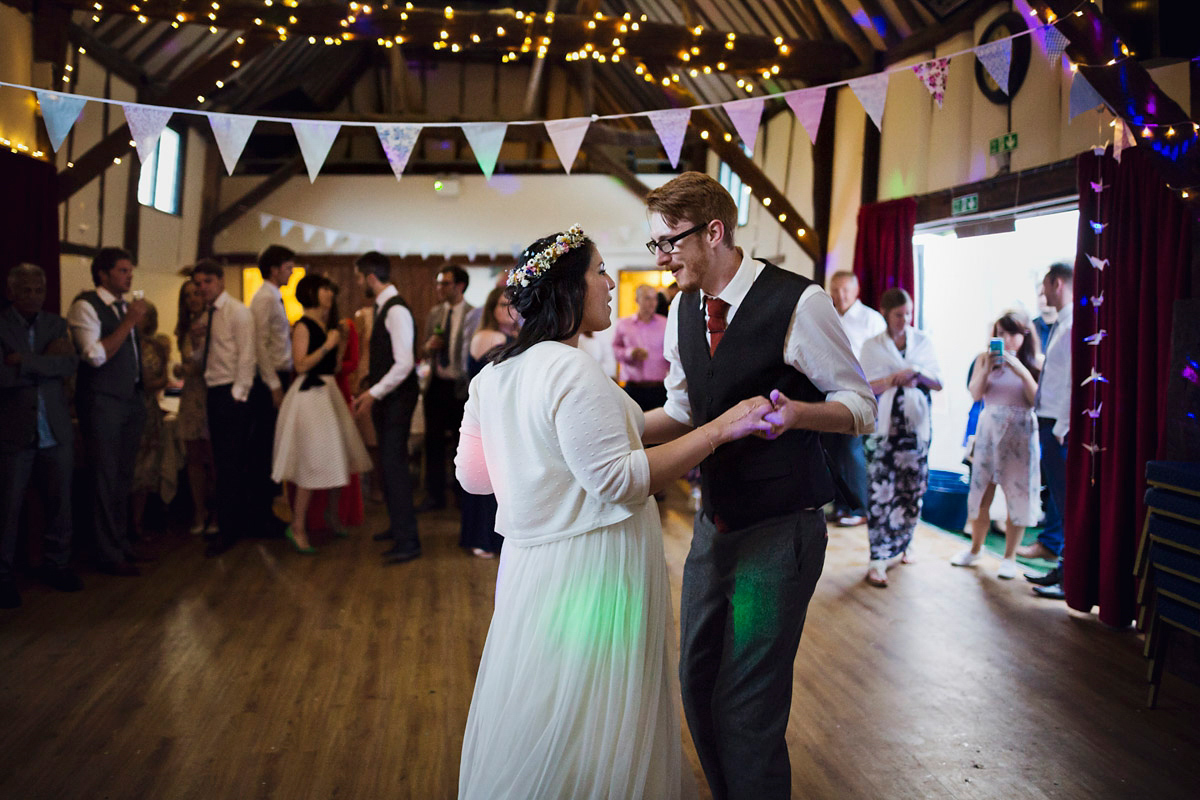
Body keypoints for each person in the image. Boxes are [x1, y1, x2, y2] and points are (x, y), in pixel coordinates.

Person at [455, 225, 773, 799]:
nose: (609, 283)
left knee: (546, 704)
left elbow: (474, 476)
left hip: (531, 567)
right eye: (599, 271)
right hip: (591, 569)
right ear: (568, 290)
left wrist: (700, 410)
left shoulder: (496, 374)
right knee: (597, 709)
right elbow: (619, 478)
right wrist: (721, 432)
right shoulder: (570, 369)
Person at [641, 172, 877, 798]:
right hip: (714, 528)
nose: (662, 260)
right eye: (656, 248)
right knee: (697, 680)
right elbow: (684, 411)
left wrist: (800, 414)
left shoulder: (800, 303)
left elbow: (860, 405)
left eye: (669, 245)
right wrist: (607, 428)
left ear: (713, 232)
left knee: (749, 705)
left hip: (781, 530)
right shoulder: (683, 310)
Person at [273, 275, 371, 554]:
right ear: (312, 292)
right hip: (309, 397)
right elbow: (301, 365)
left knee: (338, 458)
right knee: (311, 462)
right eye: (325, 289)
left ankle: (332, 516)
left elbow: (336, 367)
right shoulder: (303, 326)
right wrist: (328, 344)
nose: (330, 293)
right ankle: (298, 526)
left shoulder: (328, 326)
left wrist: (338, 346)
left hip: (329, 394)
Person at [0, 264, 80, 608]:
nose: (34, 296)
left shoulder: (56, 324)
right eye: (27, 290)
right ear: (11, 292)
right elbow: (2, 378)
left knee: (61, 503)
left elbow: (69, 365)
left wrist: (24, 362)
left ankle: (56, 564)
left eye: (39, 290)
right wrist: (45, 366)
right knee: (8, 509)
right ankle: (3, 576)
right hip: (16, 431)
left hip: (55, 430)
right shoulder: (2, 326)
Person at [68, 247, 148, 576]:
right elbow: (94, 356)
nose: (129, 275)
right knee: (103, 476)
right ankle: (105, 551)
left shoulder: (122, 306)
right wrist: (129, 322)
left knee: (122, 477)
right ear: (103, 274)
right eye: (122, 270)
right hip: (102, 401)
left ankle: (120, 542)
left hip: (129, 400)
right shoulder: (86, 305)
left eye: (130, 270)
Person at [858, 288, 943, 588]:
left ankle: (905, 542)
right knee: (881, 489)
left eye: (908, 313)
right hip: (883, 429)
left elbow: (939, 382)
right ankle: (878, 557)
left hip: (915, 428)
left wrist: (916, 373)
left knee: (912, 487)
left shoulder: (923, 342)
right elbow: (863, 385)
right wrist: (892, 379)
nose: (904, 319)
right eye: (898, 314)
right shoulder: (872, 345)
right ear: (885, 313)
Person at [952, 312, 1042, 579]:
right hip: (989, 431)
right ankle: (975, 548)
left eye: (1011, 333)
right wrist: (988, 368)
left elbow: (1037, 399)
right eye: (999, 333)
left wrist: (1020, 369)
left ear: (1024, 335)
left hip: (1020, 434)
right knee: (981, 494)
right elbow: (975, 393)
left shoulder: (1036, 362)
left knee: (1018, 497)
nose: (1004, 339)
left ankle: (1009, 557)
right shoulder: (984, 359)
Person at [351, 252, 421, 565]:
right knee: (389, 468)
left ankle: (409, 540)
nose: (357, 283)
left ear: (369, 277)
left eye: (358, 277)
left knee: (395, 469)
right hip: (387, 400)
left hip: (396, 402)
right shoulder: (383, 307)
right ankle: (397, 528)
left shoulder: (396, 310)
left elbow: (405, 363)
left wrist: (374, 393)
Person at [192, 259, 256, 558]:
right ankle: (231, 524)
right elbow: (209, 354)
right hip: (214, 390)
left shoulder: (238, 312)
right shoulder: (208, 314)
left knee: (230, 464)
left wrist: (238, 395)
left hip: (231, 392)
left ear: (221, 281)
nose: (202, 288)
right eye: (198, 283)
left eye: (207, 282)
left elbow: (247, 356)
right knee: (222, 462)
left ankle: (229, 530)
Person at [1020, 263, 1075, 597]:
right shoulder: (1062, 322)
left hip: (1058, 424)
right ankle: (1063, 569)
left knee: (1067, 499)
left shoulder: (1072, 324)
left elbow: (1072, 379)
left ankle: (1069, 575)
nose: (1043, 294)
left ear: (1057, 283)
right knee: (1058, 495)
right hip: (1051, 420)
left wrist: (1065, 426)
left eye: (1044, 287)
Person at [457, 287, 517, 559]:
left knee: (486, 476)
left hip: (488, 415)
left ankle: (479, 536)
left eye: (513, 304)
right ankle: (483, 538)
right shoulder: (494, 337)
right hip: (492, 417)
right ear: (491, 308)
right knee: (490, 478)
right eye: (503, 304)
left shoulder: (495, 335)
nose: (510, 309)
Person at [824, 270, 886, 527]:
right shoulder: (828, 317)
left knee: (851, 448)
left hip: (860, 391)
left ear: (856, 290)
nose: (840, 295)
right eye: (835, 290)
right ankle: (841, 505)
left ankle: (859, 508)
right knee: (833, 449)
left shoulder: (871, 320)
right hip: (831, 390)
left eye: (845, 290)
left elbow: (880, 359)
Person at [248, 245, 295, 537]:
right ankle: (260, 515)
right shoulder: (264, 298)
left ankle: (267, 512)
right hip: (270, 380)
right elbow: (259, 345)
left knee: (273, 445)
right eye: (288, 267)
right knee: (264, 447)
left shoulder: (273, 296)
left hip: (280, 375)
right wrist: (275, 385)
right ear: (275, 268)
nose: (291, 272)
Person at [420, 264, 473, 511]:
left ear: (460, 285)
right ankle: (434, 494)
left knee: (462, 443)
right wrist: (429, 347)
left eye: (445, 283)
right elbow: (423, 350)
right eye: (438, 282)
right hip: (437, 384)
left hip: (461, 387)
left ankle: (462, 494)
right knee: (433, 442)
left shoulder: (474, 314)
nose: (439, 288)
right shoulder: (434, 313)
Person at [173, 279, 215, 535]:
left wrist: (187, 368)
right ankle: (199, 510)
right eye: (187, 296)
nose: (193, 300)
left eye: (196, 294)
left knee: (213, 456)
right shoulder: (185, 329)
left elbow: (206, 362)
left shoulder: (212, 323)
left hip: (210, 392)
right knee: (194, 458)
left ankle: (216, 510)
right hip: (190, 395)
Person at [130, 301, 171, 542]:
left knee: (147, 469)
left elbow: (162, 377)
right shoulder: (125, 343)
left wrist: (148, 384)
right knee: (131, 467)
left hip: (150, 410)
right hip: (133, 408)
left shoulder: (156, 345)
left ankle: (139, 523)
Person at [613, 283, 670, 411]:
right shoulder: (623, 324)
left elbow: (673, 352)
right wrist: (630, 353)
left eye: (654, 298)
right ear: (637, 299)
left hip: (659, 389)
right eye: (647, 298)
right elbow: (615, 349)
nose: (652, 303)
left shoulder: (665, 323)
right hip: (633, 389)